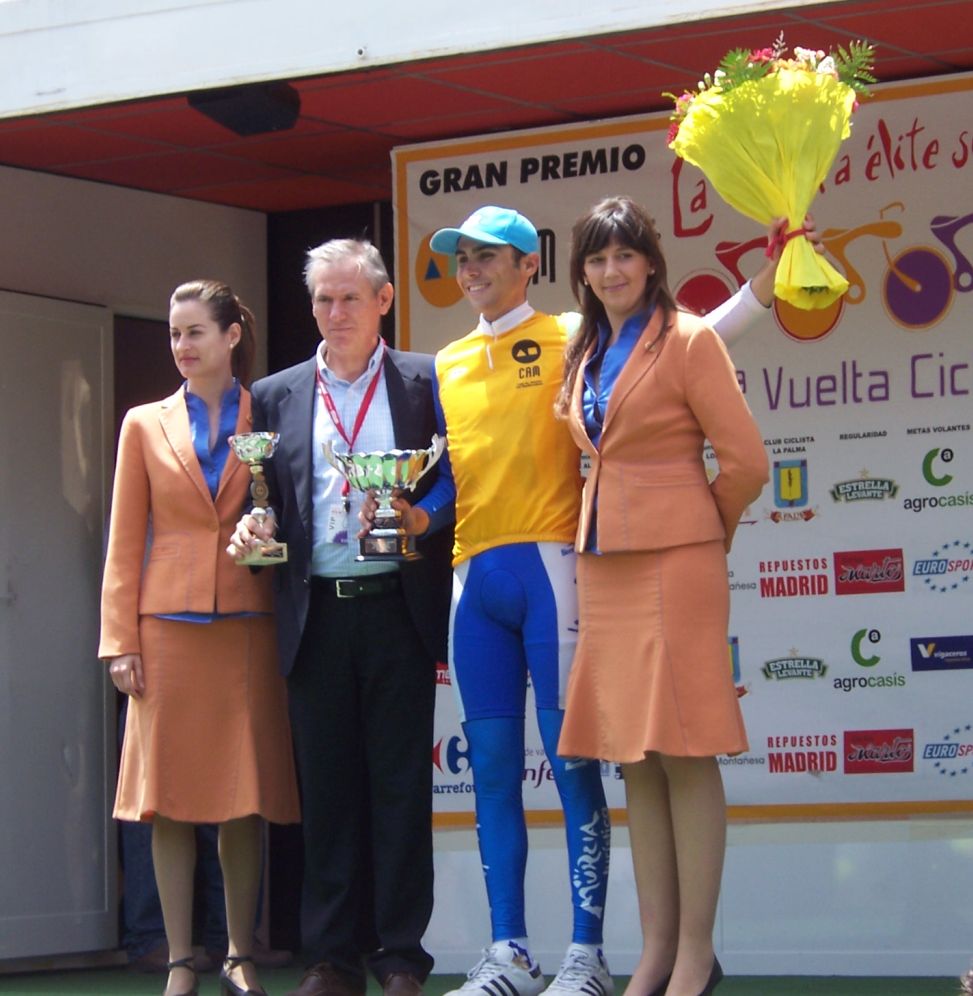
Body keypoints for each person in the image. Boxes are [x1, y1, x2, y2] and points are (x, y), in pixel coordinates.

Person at [360, 204, 798, 996]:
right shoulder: (472, 359)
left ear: (529, 264)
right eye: (462, 258)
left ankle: (601, 953)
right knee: (545, 765)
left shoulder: (574, 333)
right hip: (517, 573)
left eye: (488, 255)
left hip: (576, 565)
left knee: (608, 762)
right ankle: (523, 951)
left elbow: (700, 344)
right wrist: (419, 515)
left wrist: (765, 285)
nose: (471, 270)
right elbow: (454, 469)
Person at [554, 196, 771, 996]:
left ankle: (694, 956)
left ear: (650, 262)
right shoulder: (583, 348)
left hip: (675, 561)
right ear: (581, 272)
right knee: (633, 756)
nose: (611, 270)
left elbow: (745, 463)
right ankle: (654, 952)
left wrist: (700, 529)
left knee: (683, 747)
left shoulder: (688, 339)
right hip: (604, 565)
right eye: (596, 258)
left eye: (625, 255)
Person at [227, 239, 453, 996]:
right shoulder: (275, 394)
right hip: (315, 614)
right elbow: (264, 495)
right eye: (323, 299)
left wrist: (419, 516)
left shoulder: (425, 380)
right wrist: (255, 529)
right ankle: (330, 959)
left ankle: (400, 957)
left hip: (397, 611)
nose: (335, 312)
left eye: (350, 297)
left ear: (383, 300)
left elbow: (452, 480)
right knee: (325, 795)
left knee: (399, 790)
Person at [100, 279, 301, 996]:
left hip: (249, 624)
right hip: (165, 631)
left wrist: (270, 533)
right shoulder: (142, 423)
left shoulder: (270, 412)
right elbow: (124, 539)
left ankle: (241, 954)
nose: (182, 346)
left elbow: (291, 513)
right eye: (174, 334)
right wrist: (119, 640)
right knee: (170, 799)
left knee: (243, 796)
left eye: (194, 332)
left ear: (231, 336)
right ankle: (181, 960)